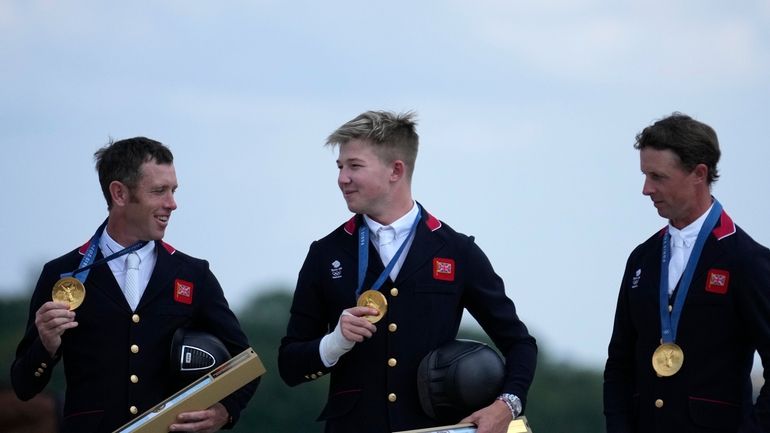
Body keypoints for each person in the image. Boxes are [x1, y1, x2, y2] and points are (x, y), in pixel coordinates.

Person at [278, 111, 537, 433]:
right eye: (340, 167)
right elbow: (289, 365)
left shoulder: (457, 251)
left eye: (354, 166)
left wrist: (506, 405)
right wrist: (335, 342)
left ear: (395, 170)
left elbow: (520, 344)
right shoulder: (325, 253)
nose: (342, 178)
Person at [11, 137, 258, 433]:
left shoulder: (194, 274)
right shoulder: (62, 274)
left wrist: (225, 411)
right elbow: (23, 386)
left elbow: (247, 366)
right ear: (119, 194)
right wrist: (46, 346)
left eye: (173, 190)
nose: (172, 203)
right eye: (159, 191)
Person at [603, 113, 770, 432]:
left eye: (657, 176)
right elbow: (619, 364)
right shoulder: (642, 259)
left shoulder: (746, 260)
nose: (646, 189)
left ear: (699, 173)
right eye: (644, 175)